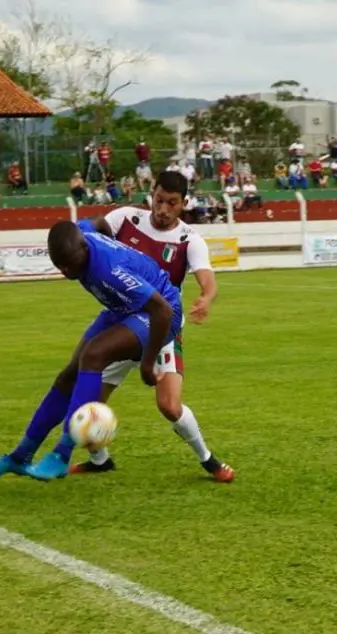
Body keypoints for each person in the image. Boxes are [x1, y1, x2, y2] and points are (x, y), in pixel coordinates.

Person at [0, 220, 183, 482]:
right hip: (124, 308)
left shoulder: (110, 269)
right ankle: (20, 456)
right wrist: (115, 242)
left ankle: (62, 455)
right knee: (67, 376)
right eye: (59, 265)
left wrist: (147, 363)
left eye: (70, 264)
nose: (66, 271)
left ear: (84, 249)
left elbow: (162, 310)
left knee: (94, 355)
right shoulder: (79, 234)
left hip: (160, 314)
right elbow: (98, 222)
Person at [71, 170, 235, 482]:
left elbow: (207, 279)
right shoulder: (125, 219)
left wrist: (207, 298)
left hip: (163, 331)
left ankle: (209, 460)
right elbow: (92, 237)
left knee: (170, 406)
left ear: (183, 203)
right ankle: (100, 460)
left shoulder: (190, 240)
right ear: (151, 194)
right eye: (158, 200)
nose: (162, 209)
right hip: (122, 325)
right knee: (89, 399)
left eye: (171, 203)